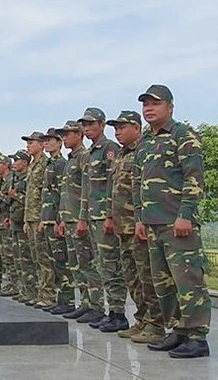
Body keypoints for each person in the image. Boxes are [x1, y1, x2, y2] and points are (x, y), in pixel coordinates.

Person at [135, 85, 211, 358]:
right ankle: (178, 330)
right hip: (152, 223)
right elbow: (138, 182)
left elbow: (194, 178)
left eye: (155, 103)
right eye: (145, 104)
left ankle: (197, 337)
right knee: (163, 283)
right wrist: (140, 218)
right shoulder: (145, 141)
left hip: (176, 222)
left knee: (188, 280)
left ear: (170, 107)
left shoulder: (182, 135)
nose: (148, 109)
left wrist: (185, 215)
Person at [105, 111, 163, 344]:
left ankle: (156, 325)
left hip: (138, 225)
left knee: (146, 277)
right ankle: (142, 319)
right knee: (132, 277)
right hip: (123, 227)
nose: (117, 132)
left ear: (137, 128)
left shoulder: (143, 150)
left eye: (122, 128)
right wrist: (111, 217)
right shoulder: (121, 155)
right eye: (116, 128)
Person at [78, 107, 128, 332]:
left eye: (91, 124)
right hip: (92, 217)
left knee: (111, 265)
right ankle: (110, 312)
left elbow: (113, 185)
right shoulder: (90, 154)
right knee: (100, 265)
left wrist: (109, 215)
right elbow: (86, 190)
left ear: (102, 124)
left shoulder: (110, 149)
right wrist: (83, 218)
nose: (87, 129)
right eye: (85, 125)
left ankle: (118, 313)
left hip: (104, 217)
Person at [56, 121, 103, 323]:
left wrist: (83, 218)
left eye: (68, 134)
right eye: (63, 134)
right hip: (68, 218)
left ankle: (96, 305)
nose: (64, 138)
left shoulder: (84, 156)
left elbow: (86, 189)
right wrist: (61, 218)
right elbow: (66, 193)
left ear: (79, 134)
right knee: (76, 265)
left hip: (79, 219)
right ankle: (85, 303)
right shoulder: (71, 159)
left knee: (88, 264)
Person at [40, 128, 75, 315]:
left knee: (62, 262)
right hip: (47, 218)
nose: (46, 143)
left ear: (59, 142)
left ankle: (67, 300)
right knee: (53, 262)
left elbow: (62, 193)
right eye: (44, 140)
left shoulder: (61, 164)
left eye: (50, 140)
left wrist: (59, 219)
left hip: (56, 219)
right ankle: (60, 299)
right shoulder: (50, 164)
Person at [21, 131, 53, 309]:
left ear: (41, 145)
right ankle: (40, 293)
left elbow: (46, 192)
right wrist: (27, 220)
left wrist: (44, 217)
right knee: (35, 258)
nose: (28, 146)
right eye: (28, 143)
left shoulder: (45, 164)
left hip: (41, 217)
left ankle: (48, 295)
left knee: (44, 258)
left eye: (31, 143)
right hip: (31, 217)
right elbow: (29, 194)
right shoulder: (33, 165)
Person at [8, 150, 35, 305]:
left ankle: (32, 292)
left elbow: (30, 201)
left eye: (16, 161)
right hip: (16, 221)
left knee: (27, 259)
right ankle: (24, 290)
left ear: (24, 162)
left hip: (25, 222)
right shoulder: (17, 179)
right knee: (19, 260)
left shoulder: (27, 178)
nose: (14, 164)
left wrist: (15, 195)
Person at [0, 156, 18, 297]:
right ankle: (10, 283)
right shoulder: (2, 181)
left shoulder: (11, 179)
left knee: (10, 255)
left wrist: (0, 194)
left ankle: (16, 285)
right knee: (5, 256)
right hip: (1, 222)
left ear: (6, 165)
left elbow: (10, 199)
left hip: (7, 221)